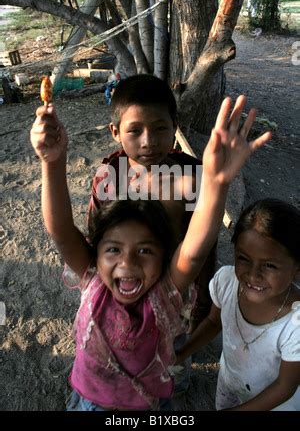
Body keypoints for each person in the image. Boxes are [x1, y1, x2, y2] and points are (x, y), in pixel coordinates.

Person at [30, 94, 271, 410]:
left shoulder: (166, 294)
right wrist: (51, 161)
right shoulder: (93, 279)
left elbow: (195, 250)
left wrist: (217, 183)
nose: (127, 262)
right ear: (95, 253)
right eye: (114, 249)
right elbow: (61, 230)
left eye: (144, 250)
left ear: (164, 258)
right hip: (91, 401)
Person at [88, 74, 215, 328]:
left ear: (175, 126)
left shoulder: (192, 179)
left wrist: (201, 305)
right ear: (115, 132)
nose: (149, 142)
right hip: (125, 286)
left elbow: (205, 249)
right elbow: (95, 239)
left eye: (160, 128)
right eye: (135, 131)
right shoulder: (109, 179)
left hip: (175, 292)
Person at [176, 198, 300, 411]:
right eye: (243, 258)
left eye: (269, 265)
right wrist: (181, 354)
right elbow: (213, 322)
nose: (253, 274)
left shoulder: (295, 324)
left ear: (296, 268)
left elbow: (284, 387)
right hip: (229, 382)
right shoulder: (226, 282)